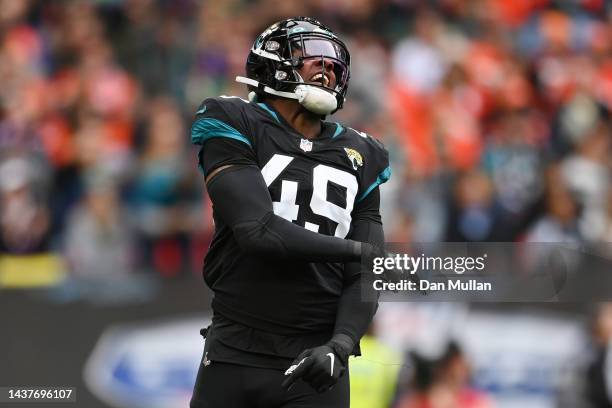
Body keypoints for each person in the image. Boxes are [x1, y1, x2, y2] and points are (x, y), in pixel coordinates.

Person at [189, 17, 390, 408]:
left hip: (314, 360)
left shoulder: (363, 154)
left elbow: (365, 276)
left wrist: (341, 344)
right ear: (272, 61)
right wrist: (355, 250)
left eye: (334, 64)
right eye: (313, 57)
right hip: (235, 348)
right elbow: (258, 231)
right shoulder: (236, 120)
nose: (328, 68)